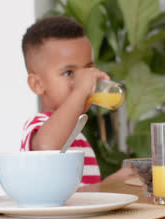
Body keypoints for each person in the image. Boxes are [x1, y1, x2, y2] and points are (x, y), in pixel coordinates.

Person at [20, 16, 133, 188]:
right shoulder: (39, 126)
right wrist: (80, 91)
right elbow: (46, 148)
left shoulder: (77, 136)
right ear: (37, 84)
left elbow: (80, 196)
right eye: (68, 73)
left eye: (88, 69)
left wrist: (114, 181)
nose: (84, 80)